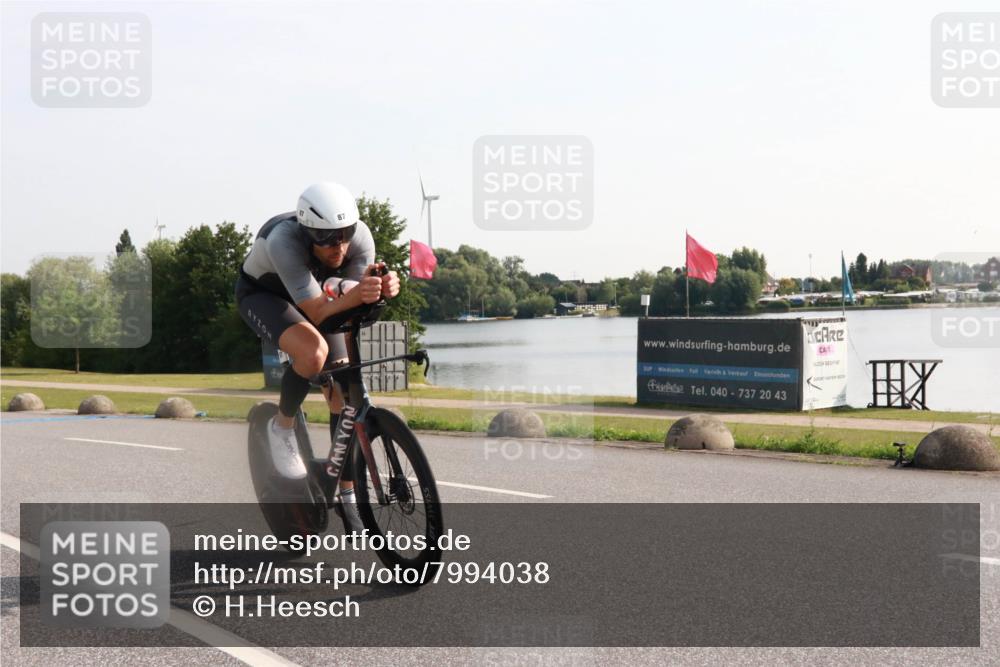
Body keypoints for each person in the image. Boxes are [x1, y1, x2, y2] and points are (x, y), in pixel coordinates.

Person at [235, 182, 399, 532]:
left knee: (345, 393)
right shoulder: (283, 240)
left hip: (322, 299)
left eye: (344, 234)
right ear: (307, 232)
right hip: (266, 297)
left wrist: (380, 290)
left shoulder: (361, 238)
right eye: (325, 238)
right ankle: (282, 427)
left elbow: (349, 297)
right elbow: (318, 312)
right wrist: (358, 295)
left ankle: (346, 493)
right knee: (313, 353)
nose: (338, 246)